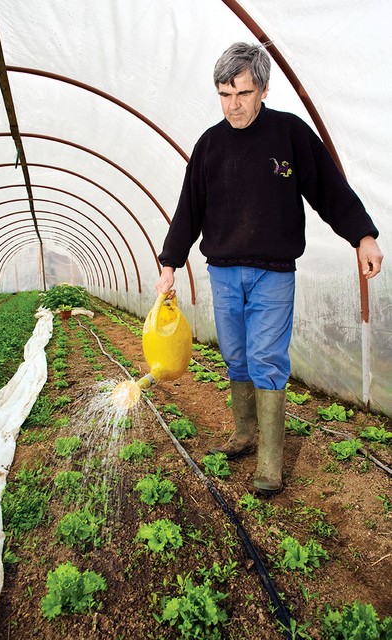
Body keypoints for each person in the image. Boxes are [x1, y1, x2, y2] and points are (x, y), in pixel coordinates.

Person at [155, 42, 383, 496]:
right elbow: (189, 211)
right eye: (223, 94)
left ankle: (271, 461)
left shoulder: (290, 134)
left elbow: (329, 190)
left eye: (241, 93)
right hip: (222, 271)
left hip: (273, 272)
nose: (232, 105)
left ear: (262, 89)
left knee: (266, 359)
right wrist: (169, 263)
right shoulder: (209, 146)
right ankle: (243, 433)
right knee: (236, 356)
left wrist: (363, 235)